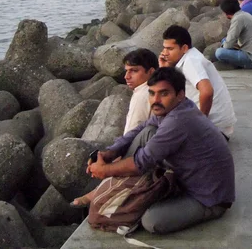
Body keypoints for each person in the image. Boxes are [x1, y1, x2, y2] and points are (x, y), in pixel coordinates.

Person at [88, 68, 235, 235]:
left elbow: (141, 162)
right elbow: (141, 129)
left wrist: (104, 170)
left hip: (209, 198)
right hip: (187, 175)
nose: (155, 100)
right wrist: (112, 152)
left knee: (151, 221)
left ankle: (128, 195)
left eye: (163, 94)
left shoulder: (179, 120)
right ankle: (124, 188)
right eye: (151, 93)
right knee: (148, 131)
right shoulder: (175, 108)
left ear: (180, 94)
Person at [71, 48, 159, 208]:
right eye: (126, 71)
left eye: (134, 71)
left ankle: (97, 193)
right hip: (152, 145)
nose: (126, 76)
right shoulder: (156, 89)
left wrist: (113, 162)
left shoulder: (143, 94)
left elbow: (134, 133)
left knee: (114, 162)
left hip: (150, 150)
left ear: (151, 72)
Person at [158, 25, 237, 136]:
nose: (165, 53)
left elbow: (207, 92)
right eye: (164, 48)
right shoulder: (189, 57)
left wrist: (200, 123)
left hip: (214, 130)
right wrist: (165, 69)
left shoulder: (191, 61)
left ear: (184, 48)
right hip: (218, 127)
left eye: (170, 49)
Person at [215, 0, 252, 69]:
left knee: (219, 52)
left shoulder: (238, 19)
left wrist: (224, 46)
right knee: (224, 40)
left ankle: (236, 64)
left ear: (226, 13)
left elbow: (228, 44)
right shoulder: (245, 14)